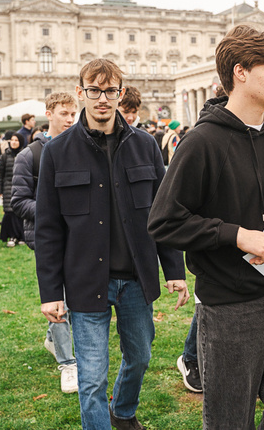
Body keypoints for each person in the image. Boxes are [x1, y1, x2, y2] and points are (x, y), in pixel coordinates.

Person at [148, 24, 264, 430]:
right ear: (240, 72)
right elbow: (164, 221)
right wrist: (235, 235)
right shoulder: (202, 141)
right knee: (229, 420)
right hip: (230, 306)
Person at [35, 59, 188, 430]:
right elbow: (48, 229)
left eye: (110, 91)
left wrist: (174, 271)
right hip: (87, 282)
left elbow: (162, 212)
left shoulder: (145, 146)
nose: (102, 99)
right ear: (80, 92)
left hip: (136, 278)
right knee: (91, 380)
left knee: (140, 357)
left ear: (120, 94)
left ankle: (122, 411)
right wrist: (50, 293)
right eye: (94, 90)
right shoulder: (56, 152)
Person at [11, 92, 79, 394]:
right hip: (47, 238)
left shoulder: (81, 147)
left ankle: (54, 339)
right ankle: (68, 363)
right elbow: (18, 202)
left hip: (80, 237)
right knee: (60, 298)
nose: (69, 119)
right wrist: (54, 210)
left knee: (75, 296)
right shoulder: (29, 155)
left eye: (72, 113)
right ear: (48, 113)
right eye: (64, 113)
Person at [0, 132, 24, 247]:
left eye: (16, 140)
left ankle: (21, 236)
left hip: (21, 186)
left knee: (20, 212)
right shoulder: (4, 156)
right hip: (8, 187)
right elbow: (0, 174)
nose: (13, 142)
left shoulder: (24, 154)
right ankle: (11, 236)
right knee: (9, 213)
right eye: (12, 140)